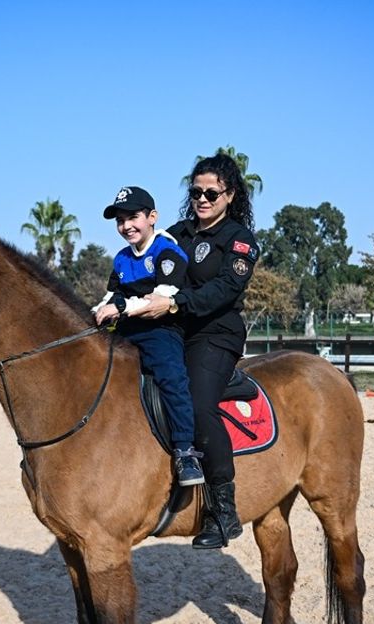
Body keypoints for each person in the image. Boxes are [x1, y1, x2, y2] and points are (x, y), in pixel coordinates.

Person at [128, 154, 259, 549]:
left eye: (212, 193)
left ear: (230, 195)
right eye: (196, 192)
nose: (202, 199)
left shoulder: (239, 240)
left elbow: (222, 291)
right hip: (172, 330)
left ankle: (223, 510)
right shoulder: (175, 234)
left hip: (215, 333)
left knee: (198, 404)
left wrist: (173, 304)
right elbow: (148, 269)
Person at [93, 185, 205, 487]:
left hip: (160, 329)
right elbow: (110, 296)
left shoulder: (166, 252)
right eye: (120, 220)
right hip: (128, 330)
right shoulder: (121, 259)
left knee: (172, 377)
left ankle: (184, 450)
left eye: (133, 217)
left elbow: (161, 297)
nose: (126, 226)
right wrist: (94, 312)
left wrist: (120, 307)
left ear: (152, 217)